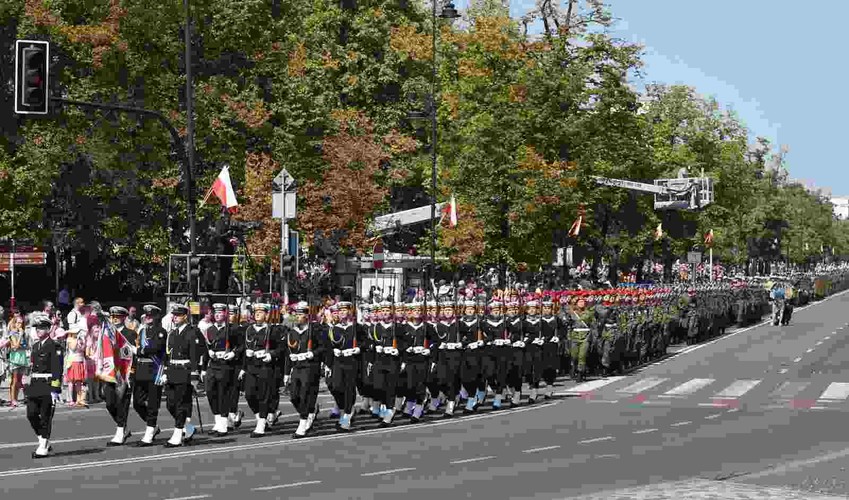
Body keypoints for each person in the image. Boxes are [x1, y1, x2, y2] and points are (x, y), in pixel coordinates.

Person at [96, 306, 137, 446]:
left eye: (117, 316)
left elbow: (131, 356)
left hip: (123, 373)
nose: (114, 319)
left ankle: (120, 430)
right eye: (112, 316)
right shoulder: (106, 333)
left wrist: (131, 374)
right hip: (109, 372)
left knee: (122, 402)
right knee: (109, 403)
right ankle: (122, 426)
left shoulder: (130, 334)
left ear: (124, 317)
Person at [241, 303, 282, 438]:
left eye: (260, 312)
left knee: (264, 396)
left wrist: (270, 355)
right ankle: (260, 417)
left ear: (267, 315)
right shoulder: (249, 330)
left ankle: (261, 424)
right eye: (255, 312)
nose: (257, 314)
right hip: (251, 366)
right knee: (249, 395)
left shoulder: (272, 330)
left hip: (265, 366)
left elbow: (281, 349)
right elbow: (245, 346)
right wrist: (244, 365)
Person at [162, 304, 200, 447]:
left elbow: (194, 355)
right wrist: (165, 371)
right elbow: (168, 353)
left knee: (181, 405)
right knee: (170, 404)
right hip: (172, 371)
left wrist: (194, 376)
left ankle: (177, 435)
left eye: (177, 315)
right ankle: (188, 428)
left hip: (184, 371)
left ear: (185, 316)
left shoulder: (191, 332)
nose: (174, 318)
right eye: (173, 315)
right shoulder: (172, 333)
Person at [285, 301, 325, 437]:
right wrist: (286, 372)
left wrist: (313, 353)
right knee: (294, 396)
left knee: (305, 394)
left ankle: (303, 424)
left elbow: (322, 347)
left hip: (310, 366)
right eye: (296, 314)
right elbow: (288, 353)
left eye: (300, 314)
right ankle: (310, 411)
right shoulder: (292, 332)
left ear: (307, 316)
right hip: (296, 366)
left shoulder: (315, 330)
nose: (297, 317)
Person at [26, 314, 62, 458]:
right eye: (37, 328)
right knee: (31, 414)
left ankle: (43, 445)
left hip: (47, 384)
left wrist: (55, 389)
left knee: (45, 417)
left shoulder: (54, 345)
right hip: (35, 384)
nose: (38, 330)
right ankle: (43, 439)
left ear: (48, 329)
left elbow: (57, 368)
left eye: (41, 328)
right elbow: (33, 366)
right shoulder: (35, 346)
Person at [203, 303, 242, 437]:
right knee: (210, 391)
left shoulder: (233, 329)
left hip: (226, 365)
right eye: (216, 312)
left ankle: (223, 423)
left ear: (226, 314)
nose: (218, 315)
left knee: (223, 393)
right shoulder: (210, 329)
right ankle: (217, 420)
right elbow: (207, 346)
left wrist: (233, 353)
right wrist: (209, 353)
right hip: (213, 364)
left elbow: (241, 346)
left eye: (221, 312)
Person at [133, 304, 167, 446]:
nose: (147, 318)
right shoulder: (142, 332)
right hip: (141, 370)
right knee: (137, 403)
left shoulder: (161, 332)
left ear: (156, 317)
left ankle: (149, 432)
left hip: (154, 370)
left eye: (150, 315)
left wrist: (140, 351)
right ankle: (152, 425)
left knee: (153, 403)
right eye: (146, 315)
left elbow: (155, 348)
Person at [326, 301, 359, 431]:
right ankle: (344, 409)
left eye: (345, 310)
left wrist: (359, 349)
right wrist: (329, 363)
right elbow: (328, 346)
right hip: (338, 362)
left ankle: (347, 416)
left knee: (349, 389)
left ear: (350, 312)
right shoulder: (334, 329)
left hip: (352, 361)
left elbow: (365, 343)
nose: (342, 313)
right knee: (336, 386)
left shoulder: (356, 327)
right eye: (340, 311)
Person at [5, 316, 28, 408]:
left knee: (19, 380)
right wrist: (20, 336)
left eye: (21, 323)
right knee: (14, 380)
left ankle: (16, 398)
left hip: (22, 358)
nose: (20, 325)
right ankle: (12, 399)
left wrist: (22, 336)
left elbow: (25, 346)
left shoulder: (22, 333)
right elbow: (15, 346)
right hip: (15, 359)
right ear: (14, 323)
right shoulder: (12, 333)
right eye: (18, 323)